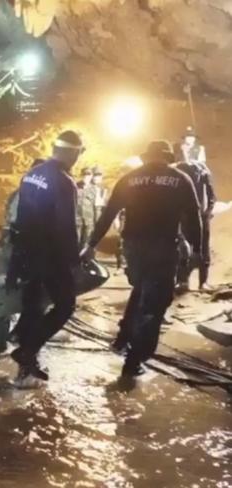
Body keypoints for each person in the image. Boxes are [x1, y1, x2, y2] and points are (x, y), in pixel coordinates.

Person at [81, 140, 202, 378]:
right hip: (162, 246)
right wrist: (197, 248)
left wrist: (91, 244)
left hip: (133, 248)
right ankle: (134, 360)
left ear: (146, 157)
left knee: (142, 287)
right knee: (155, 304)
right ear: (168, 157)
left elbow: (109, 213)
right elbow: (194, 215)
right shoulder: (180, 179)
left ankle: (123, 337)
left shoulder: (130, 179)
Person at [7, 130, 83, 388]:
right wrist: (73, 261)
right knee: (65, 305)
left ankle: (25, 369)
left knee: (34, 307)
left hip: (27, 253)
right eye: (77, 153)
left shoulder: (31, 175)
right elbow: (66, 226)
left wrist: (17, 259)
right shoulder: (64, 181)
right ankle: (27, 351)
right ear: (72, 152)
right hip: (51, 255)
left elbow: (20, 217)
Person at [0, 158, 45, 355]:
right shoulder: (33, 196)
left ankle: (1, 346)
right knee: (24, 297)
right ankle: (17, 346)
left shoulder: (19, 193)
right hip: (18, 251)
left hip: (10, 249)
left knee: (4, 295)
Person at [175, 127, 216, 290]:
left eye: (192, 137)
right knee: (183, 247)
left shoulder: (203, 173)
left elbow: (211, 193)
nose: (189, 139)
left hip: (201, 215)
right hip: (185, 215)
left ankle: (203, 281)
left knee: (204, 247)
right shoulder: (180, 171)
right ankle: (182, 280)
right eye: (187, 137)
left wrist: (208, 210)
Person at [76, 167, 96, 249]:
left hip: (89, 220)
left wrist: (96, 221)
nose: (86, 176)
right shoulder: (74, 186)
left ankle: (85, 260)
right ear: (81, 175)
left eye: (88, 174)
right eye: (84, 174)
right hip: (77, 220)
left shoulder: (95, 189)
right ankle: (74, 260)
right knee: (75, 241)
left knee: (87, 242)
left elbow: (97, 206)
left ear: (91, 176)